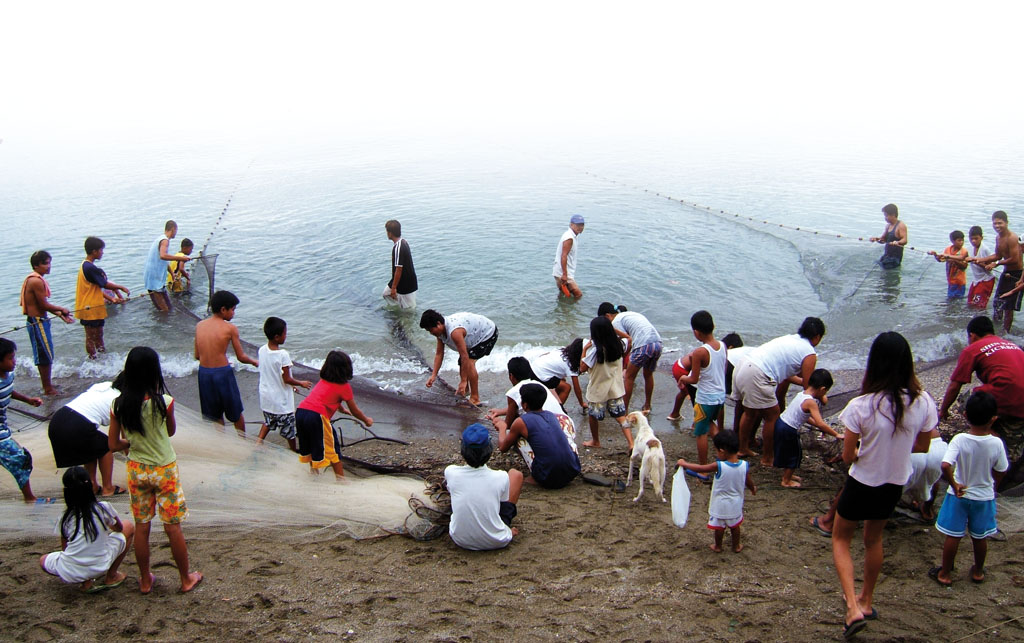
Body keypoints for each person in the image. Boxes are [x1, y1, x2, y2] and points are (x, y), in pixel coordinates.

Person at [829, 332, 936, 639]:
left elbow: (849, 456)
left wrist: (867, 449)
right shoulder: (922, 401)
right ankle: (867, 600)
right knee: (873, 541)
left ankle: (851, 607)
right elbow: (923, 446)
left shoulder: (861, 405)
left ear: (873, 364)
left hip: (863, 481)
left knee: (840, 539)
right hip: (894, 483)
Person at [108, 346, 202, 593]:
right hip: (164, 470)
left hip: (137, 470)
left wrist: (131, 443)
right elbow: (170, 432)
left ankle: (146, 580)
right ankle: (185, 578)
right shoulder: (165, 403)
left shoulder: (118, 405)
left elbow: (112, 445)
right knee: (172, 527)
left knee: (142, 526)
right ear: (154, 372)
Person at [929, 391, 1008, 587]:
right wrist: (993, 484)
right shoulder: (996, 443)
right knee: (980, 537)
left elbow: (946, 465)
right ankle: (979, 571)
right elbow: (1002, 469)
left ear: (965, 416)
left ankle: (945, 573)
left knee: (953, 536)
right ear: (993, 419)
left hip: (959, 495)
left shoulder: (959, 439)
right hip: (983, 495)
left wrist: (954, 485)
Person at [939, 315, 1024, 491]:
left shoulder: (973, 349)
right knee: (1011, 451)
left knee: (973, 397)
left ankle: (985, 431)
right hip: (1020, 403)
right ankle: (1001, 440)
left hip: (1006, 396)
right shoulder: (1010, 344)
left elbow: (956, 384)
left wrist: (943, 410)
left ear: (972, 336)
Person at [733, 317, 825, 466]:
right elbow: (808, 387)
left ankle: (743, 448)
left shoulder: (790, 339)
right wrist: (822, 397)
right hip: (757, 373)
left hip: (744, 365)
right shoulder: (809, 353)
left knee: (750, 413)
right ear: (817, 337)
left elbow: (789, 374)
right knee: (773, 416)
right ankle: (768, 458)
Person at [39, 466, 135, 593]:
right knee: (128, 526)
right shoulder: (103, 508)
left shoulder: (65, 517)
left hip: (72, 570)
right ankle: (112, 575)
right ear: (89, 486)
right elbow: (119, 528)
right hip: (101, 563)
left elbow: (65, 547)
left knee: (43, 560)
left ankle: (86, 581)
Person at [444, 423, 524, 551]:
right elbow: (503, 505)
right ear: (489, 450)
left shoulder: (451, 472)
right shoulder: (501, 477)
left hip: (460, 540)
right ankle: (504, 528)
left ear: (463, 450)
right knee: (515, 475)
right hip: (497, 540)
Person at [295, 350, 373, 478]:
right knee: (333, 447)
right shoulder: (344, 387)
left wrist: (341, 409)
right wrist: (366, 420)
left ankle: (313, 473)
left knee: (308, 443)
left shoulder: (323, 381)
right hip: (316, 416)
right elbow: (355, 410)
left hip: (301, 412)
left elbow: (326, 397)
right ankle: (340, 479)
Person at [677, 430, 757, 553]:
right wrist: (753, 489)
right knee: (735, 526)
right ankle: (736, 546)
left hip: (720, 503)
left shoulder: (719, 466)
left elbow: (701, 468)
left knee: (719, 528)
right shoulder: (744, 465)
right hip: (735, 503)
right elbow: (748, 481)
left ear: (722, 451)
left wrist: (684, 463)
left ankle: (718, 546)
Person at [194, 290, 259, 433]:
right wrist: (255, 362)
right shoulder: (230, 328)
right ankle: (242, 441)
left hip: (204, 374)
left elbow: (197, 355)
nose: (234, 313)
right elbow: (241, 357)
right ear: (223, 310)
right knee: (235, 413)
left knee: (215, 414)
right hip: (222, 374)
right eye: (233, 310)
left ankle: (222, 443)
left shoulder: (200, 325)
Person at [497, 383, 580, 489]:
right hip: (572, 472)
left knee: (518, 438)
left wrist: (502, 427)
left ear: (525, 405)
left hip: (547, 478)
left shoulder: (521, 422)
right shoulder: (551, 415)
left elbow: (503, 448)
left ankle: (535, 476)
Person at [48, 382, 124, 496]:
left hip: (57, 421)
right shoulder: (123, 401)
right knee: (106, 447)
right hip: (77, 426)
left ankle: (92, 485)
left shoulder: (103, 386)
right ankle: (108, 488)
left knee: (91, 446)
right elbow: (123, 436)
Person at [673, 311, 728, 465]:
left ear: (696, 332)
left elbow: (693, 379)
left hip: (705, 398)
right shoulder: (722, 345)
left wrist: (683, 377)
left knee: (701, 432)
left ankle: (703, 466)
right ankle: (725, 453)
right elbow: (722, 369)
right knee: (711, 425)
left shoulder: (700, 352)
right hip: (720, 395)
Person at [773, 369, 841, 488]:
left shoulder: (802, 394)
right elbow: (820, 423)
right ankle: (786, 480)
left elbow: (805, 417)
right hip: (789, 429)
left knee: (787, 451)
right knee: (795, 454)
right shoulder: (811, 402)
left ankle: (787, 474)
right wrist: (836, 434)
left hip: (781, 423)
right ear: (822, 389)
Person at [0, 338, 49, 503]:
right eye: (10, 358)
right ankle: (30, 498)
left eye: (14, 356)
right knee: (20, 459)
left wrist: (28, 400)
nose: (14, 362)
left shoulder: (8, 375)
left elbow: (9, 390)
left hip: (3, 426)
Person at [20, 250, 74, 395]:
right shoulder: (36, 281)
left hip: (40, 320)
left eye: (49, 263)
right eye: (45, 264)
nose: (48, 266)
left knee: (46, 353)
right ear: (36, 266)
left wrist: (60, 315)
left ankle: (48, 385)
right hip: (36, 322)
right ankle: (48, 388)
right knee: (44, 355)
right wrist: (61, 309)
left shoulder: (36, 279)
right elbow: (44, 305)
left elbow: (42, 306)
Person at [420, 309, 498, 406]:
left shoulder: (454, 332)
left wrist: (463, 380)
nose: (431, 333)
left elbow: (464, 356)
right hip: (475, 334)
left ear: (438, 323)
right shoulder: (440, 333)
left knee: (469, 362)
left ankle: (475, 398)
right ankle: (465, 390)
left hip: (488, 333)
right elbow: (439, 353)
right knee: (463, 361)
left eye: (430, 330)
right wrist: (433, 375)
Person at [256, 317, 312, 451]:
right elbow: (286, 378)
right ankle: (293, 451)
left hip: (266, 397)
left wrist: (292, 385)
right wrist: (300, 383)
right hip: (281, 401)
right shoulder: (283, 355)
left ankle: (257, 443)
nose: (286, 336)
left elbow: (273, 372)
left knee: (269, 421)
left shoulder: (262, 350)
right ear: (277, 337)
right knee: (289, 428)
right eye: (285, 333)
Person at [598, 302, 663, 414]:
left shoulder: (615, 321)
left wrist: (622, 357)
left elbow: (626, 342)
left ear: (608, 316)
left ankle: (624, 410)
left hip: (643, 345)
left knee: (629, 377)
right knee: (648, 375)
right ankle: (647, 405)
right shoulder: (630, 314)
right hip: (657, 343)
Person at [580, 316, 633, 449]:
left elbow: (582, 368)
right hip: (615, 388)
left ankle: (596, 441)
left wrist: (585, 349)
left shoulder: (595, 352)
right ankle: (631, 443)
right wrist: (614, 330)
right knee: (621, 416)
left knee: (593, 416)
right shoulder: (619, 345)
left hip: (598, 390)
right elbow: (629, 339)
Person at [75, 237, 130, 359]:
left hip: (96, 306)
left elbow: (95, 289)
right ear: (94, 251)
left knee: (99, 334)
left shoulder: (87, 266)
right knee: (90, 336)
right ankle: (93, 359)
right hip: (89, 308)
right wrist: (120, 287)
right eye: (101, 250)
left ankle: (102, 357)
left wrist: (112, 299)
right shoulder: (89, 267)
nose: (102, 252)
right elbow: (104, 284)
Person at [968, 211, 1023, 333]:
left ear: (1006, 223)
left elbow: (1014, 259)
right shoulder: (998, 238)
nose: (997, 226)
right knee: (997, 303)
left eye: (1000, 223)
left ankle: (1006, 334)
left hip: (1017, 275)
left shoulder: (1012, 238)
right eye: (995, 223)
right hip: (1006, 273)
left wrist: (996, 264)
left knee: (1008, 307)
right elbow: (998, 255)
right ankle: (995, 331)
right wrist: (979, 259)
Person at [486, 357, 568, 433]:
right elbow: (517, 407)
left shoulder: (513, 392)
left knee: (514, 429)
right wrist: (500, 412)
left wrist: (497, 421)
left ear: (511, 376)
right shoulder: (538, 385)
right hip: (565, 424)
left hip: (549, 431)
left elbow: (508, 425)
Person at [900, 428, 947, 521]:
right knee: (933, 481)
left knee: (889, 485)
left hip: (909, 448)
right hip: (936, 445)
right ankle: (927, 509)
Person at [527, 339, 587, 410]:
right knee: (567, 388)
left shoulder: (562, 350)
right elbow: (577, 389)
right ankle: (556, 409)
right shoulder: (570, 365)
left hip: (533, 367)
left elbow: (546, 354)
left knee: (562, 380)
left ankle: (555, 400)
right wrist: (582, 403)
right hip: (540, 376)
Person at [144, 220, 186, 312]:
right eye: (176, 230)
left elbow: (163, 261)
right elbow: (163, 256)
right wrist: (180, 259)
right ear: (173, 229)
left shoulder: (160, 239)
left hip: (152, 276)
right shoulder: (165, 241)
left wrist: (172, 273)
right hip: (155, 278)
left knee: (165, 307)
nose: (176, 233)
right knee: (165, 309)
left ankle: (162, 321)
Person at [382, 220, 418, 309]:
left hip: (406, 284)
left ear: (390, 233)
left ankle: (404, 317)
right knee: (386, 293)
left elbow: (399, 269)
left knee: (409, 310)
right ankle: (399, 310)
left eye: (387, 231)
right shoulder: (403, 242)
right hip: (402, 281)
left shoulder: (398, 247)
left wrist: (394, 288)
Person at [927, 230, 968, 299]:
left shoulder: (964, 252)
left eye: (962, 240)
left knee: (958, 301)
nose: (961, 242)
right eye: (959, 240)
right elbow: (941, 260)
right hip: (950, 281)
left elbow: (964, 266)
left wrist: (953, 259)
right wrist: (935, 254)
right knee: (950, 299)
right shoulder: (948, 249)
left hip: (959, 282)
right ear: (953, 241)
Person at [552, 214, 585, 298]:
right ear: (571, 225)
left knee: (564, 294)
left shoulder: (571, 235)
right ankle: (569, 310)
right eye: (577, 225)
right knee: (578, 295)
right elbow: (564, 256)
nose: (580, 227)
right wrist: (564, 275)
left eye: (582, 225)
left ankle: (563, 310)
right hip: (563, 273)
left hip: (560, 271)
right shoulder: (569, 238)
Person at [966, 225, 996, 309]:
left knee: (979, 305)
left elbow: (989, 267)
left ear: (981, 238)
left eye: (976, 238)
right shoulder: (969, 248)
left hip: (986, 279)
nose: (973, 241)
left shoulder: (985, 249)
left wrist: (975, 261)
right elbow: (962, 257)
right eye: (971, 239)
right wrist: (947, 257)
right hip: (976, 280)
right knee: (970, 303)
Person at [868, 203, 907, 269]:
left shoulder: (901, 226)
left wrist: (897, 242)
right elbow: (883, 239)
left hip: (895, 258)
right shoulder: (888, 226)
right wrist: (876, 239)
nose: (885, 218)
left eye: (886, 216)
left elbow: (905, 240)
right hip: (886, 255)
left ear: (893, 215)